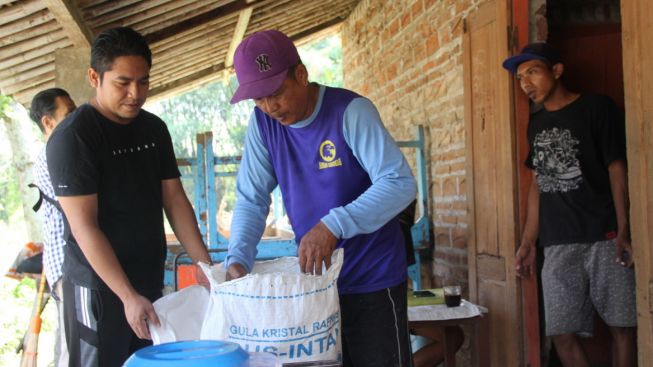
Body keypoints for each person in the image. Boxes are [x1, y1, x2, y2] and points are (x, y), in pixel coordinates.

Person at [225, 30, 417, 367]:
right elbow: (251, 198)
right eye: (258, 99)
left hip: (373, 279)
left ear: (301, 75)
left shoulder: (350, 112)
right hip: (317, 289)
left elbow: (399, 183)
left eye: (276, 93)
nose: (270, 107)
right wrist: (238, 258)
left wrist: (333, 224)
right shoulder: (263, 125)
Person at [46, 27, 212, 367]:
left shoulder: (153, 129)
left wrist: (204, 265)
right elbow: (84, 227)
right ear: (95, 77)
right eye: (123, 82)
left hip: (148, 280)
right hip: (99, 291)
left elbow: (175, 201)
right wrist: (126, 295)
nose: (135, 93)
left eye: (144, 81)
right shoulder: (73, 138)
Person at [504, 43, 637, 367]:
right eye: (520, 78)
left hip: (603, 236)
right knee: (561, 332)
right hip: (558, 242)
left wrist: (623, 229)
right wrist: (527, 242)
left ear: (557, 70)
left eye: (533, 72)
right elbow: (538, 183)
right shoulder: (535, 125)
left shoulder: (596, 107)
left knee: (623, 326)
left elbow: (616, 168)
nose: (525, 84)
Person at [29, 88, 76, 367]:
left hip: (66, 262)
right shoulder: (51, 155)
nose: (76, 117)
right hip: (66, 263)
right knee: (73, 341)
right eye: (68, 113)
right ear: (48, 122)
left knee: (73, 336)